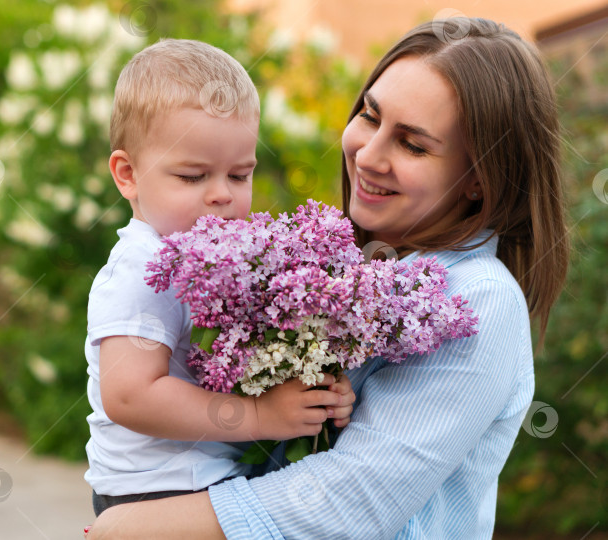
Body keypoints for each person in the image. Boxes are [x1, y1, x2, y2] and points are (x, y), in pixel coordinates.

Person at [87, 17, 569, 539]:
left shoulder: (478, 300)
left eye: (413, 144)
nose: (367, 153)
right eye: (370, 115)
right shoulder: (350, 266)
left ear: (479, 179)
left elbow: (347, 501)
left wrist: (135, 528)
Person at [84, 38, 356, 518]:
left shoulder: (226, 260)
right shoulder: (143, 267)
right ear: (127, 174)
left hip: (211, 483)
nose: (221, 196)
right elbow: (129, 395)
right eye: (192, 176)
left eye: (239, 175)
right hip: (155, 496)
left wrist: (315, 390)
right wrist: (261, 417)